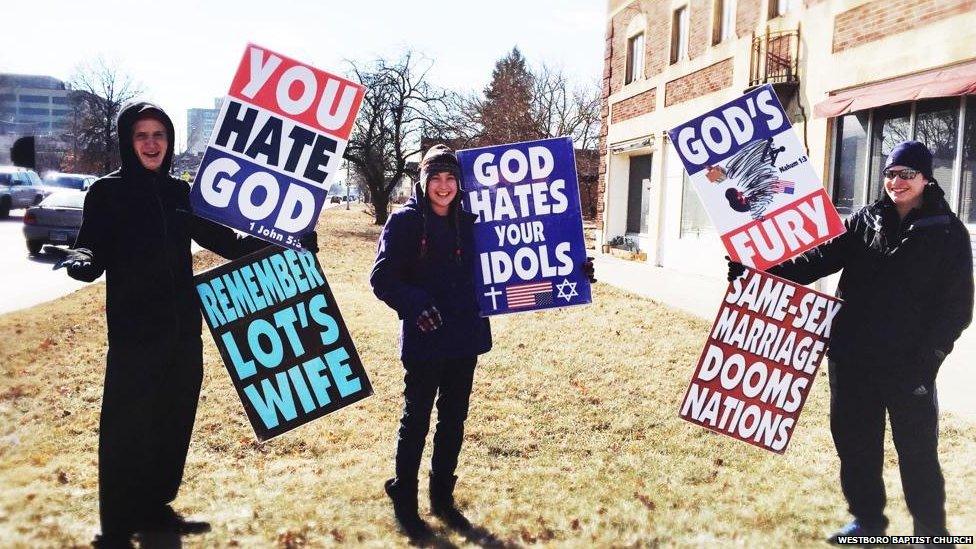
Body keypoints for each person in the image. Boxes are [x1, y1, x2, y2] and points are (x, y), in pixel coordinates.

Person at [57, 102, 316, 548]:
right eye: (142, 135)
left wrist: (286, 241)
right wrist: (82, 260)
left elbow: (229, 244)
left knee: (172, 422)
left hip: (183, 332)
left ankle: (155, 507)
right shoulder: (107, 192)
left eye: (159, 134)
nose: (152, 143)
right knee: (127, 428)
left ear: (170, 141)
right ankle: (118, 525)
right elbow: (91, 248)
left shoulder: (182, 194)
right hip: (135, 333)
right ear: (127, 141)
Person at [728, 141, 973, 542]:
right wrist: (758, 272)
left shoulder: (948, 232)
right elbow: (817, 260)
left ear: (927, 178)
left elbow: (957, 306)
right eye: (890, 173)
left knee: (917, 450)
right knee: (856, 444)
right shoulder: (863, 221)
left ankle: (931, 530)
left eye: (907, 174)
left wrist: (929, 358)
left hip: (909, 362)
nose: (896, 182)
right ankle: (868, 521)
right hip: (852, 355)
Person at [370, 144, 594, 541]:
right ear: (422, 182)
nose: (443, 186)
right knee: (416, 419)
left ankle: (442, 498)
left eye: (450, 178)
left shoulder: (475, 222)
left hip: (466, 336)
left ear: (459, 183)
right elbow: (382, 278)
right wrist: (416, 304)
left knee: (453, 419)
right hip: (425, 338)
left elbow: (530, 253)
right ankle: (404, 497)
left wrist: (574, 268)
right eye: (435, 178)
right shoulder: (404, 223)